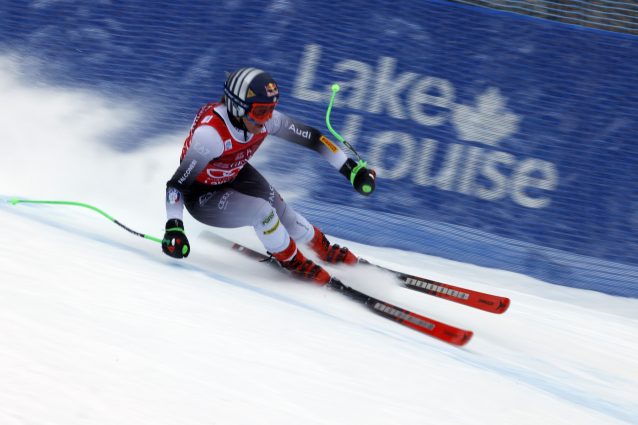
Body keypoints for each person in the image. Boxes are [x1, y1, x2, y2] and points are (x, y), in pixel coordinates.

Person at [161, 67, 376, 285]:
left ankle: (324, 249)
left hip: (234, 172)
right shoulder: (210, 136)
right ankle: (294, 262)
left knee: (281, 210)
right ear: (237, 107)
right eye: (261, 112)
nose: (266, 119)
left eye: (271, 109)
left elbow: (314, 139)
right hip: (201, 196)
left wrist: (351, 170)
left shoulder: (265, 121)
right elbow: (176, 186)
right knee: (263, 212)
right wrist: (174, 227)